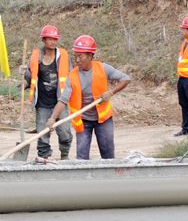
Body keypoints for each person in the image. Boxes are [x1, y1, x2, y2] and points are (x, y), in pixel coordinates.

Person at [48, 35, 130, 160]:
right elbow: (63, 101)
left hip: (103, 120)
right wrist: (52, 118)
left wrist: (111, 92)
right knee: (81, 157)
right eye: (75, 56)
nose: (77, 60)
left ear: (90, 56)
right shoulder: (73, 76)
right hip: (83, 121)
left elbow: (125, 79)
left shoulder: (103, 68)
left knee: (108, 155)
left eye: (80, 56)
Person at [22, 25, 72, 159]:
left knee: (65, 132)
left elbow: (71, 76)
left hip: (60, 102)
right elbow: (29, 77)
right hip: (42, 103)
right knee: (42, 134)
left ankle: (65, 155)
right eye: (50, 39)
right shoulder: (36, 56)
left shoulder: (63, 56)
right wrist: (24, 79)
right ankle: (44, 158)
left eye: (55, 39)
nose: (53, 42)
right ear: (43, 40)